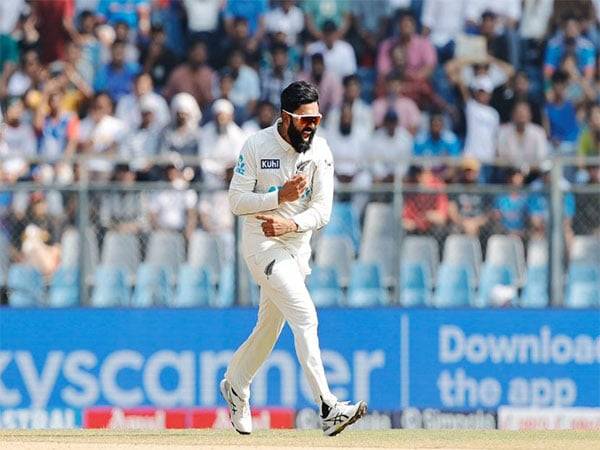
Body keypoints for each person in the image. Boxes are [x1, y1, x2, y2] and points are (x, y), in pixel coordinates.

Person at [221, 81, 367, 436]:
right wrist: (277, 196)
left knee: (269, 330)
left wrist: (291, 222)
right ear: (285, 117)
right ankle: (328, 406)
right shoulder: (257, 145)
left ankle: (235, 385)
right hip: (262, 246)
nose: (311, 126)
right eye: (304, 120)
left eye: (315, 118)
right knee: (305, 316)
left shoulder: (321, 152)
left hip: (297, 249)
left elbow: (323, 212)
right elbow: (236, 202)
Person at [497, 101, 549, 169]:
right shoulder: (503, 131)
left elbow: (542, 158)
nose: (521, 115)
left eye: (524, 113)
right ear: (512, 115)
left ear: (530, 115)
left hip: (534, 173)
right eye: (518, 113)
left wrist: (525, 169)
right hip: (508, 172)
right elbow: (500, 156)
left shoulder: (538, 132)